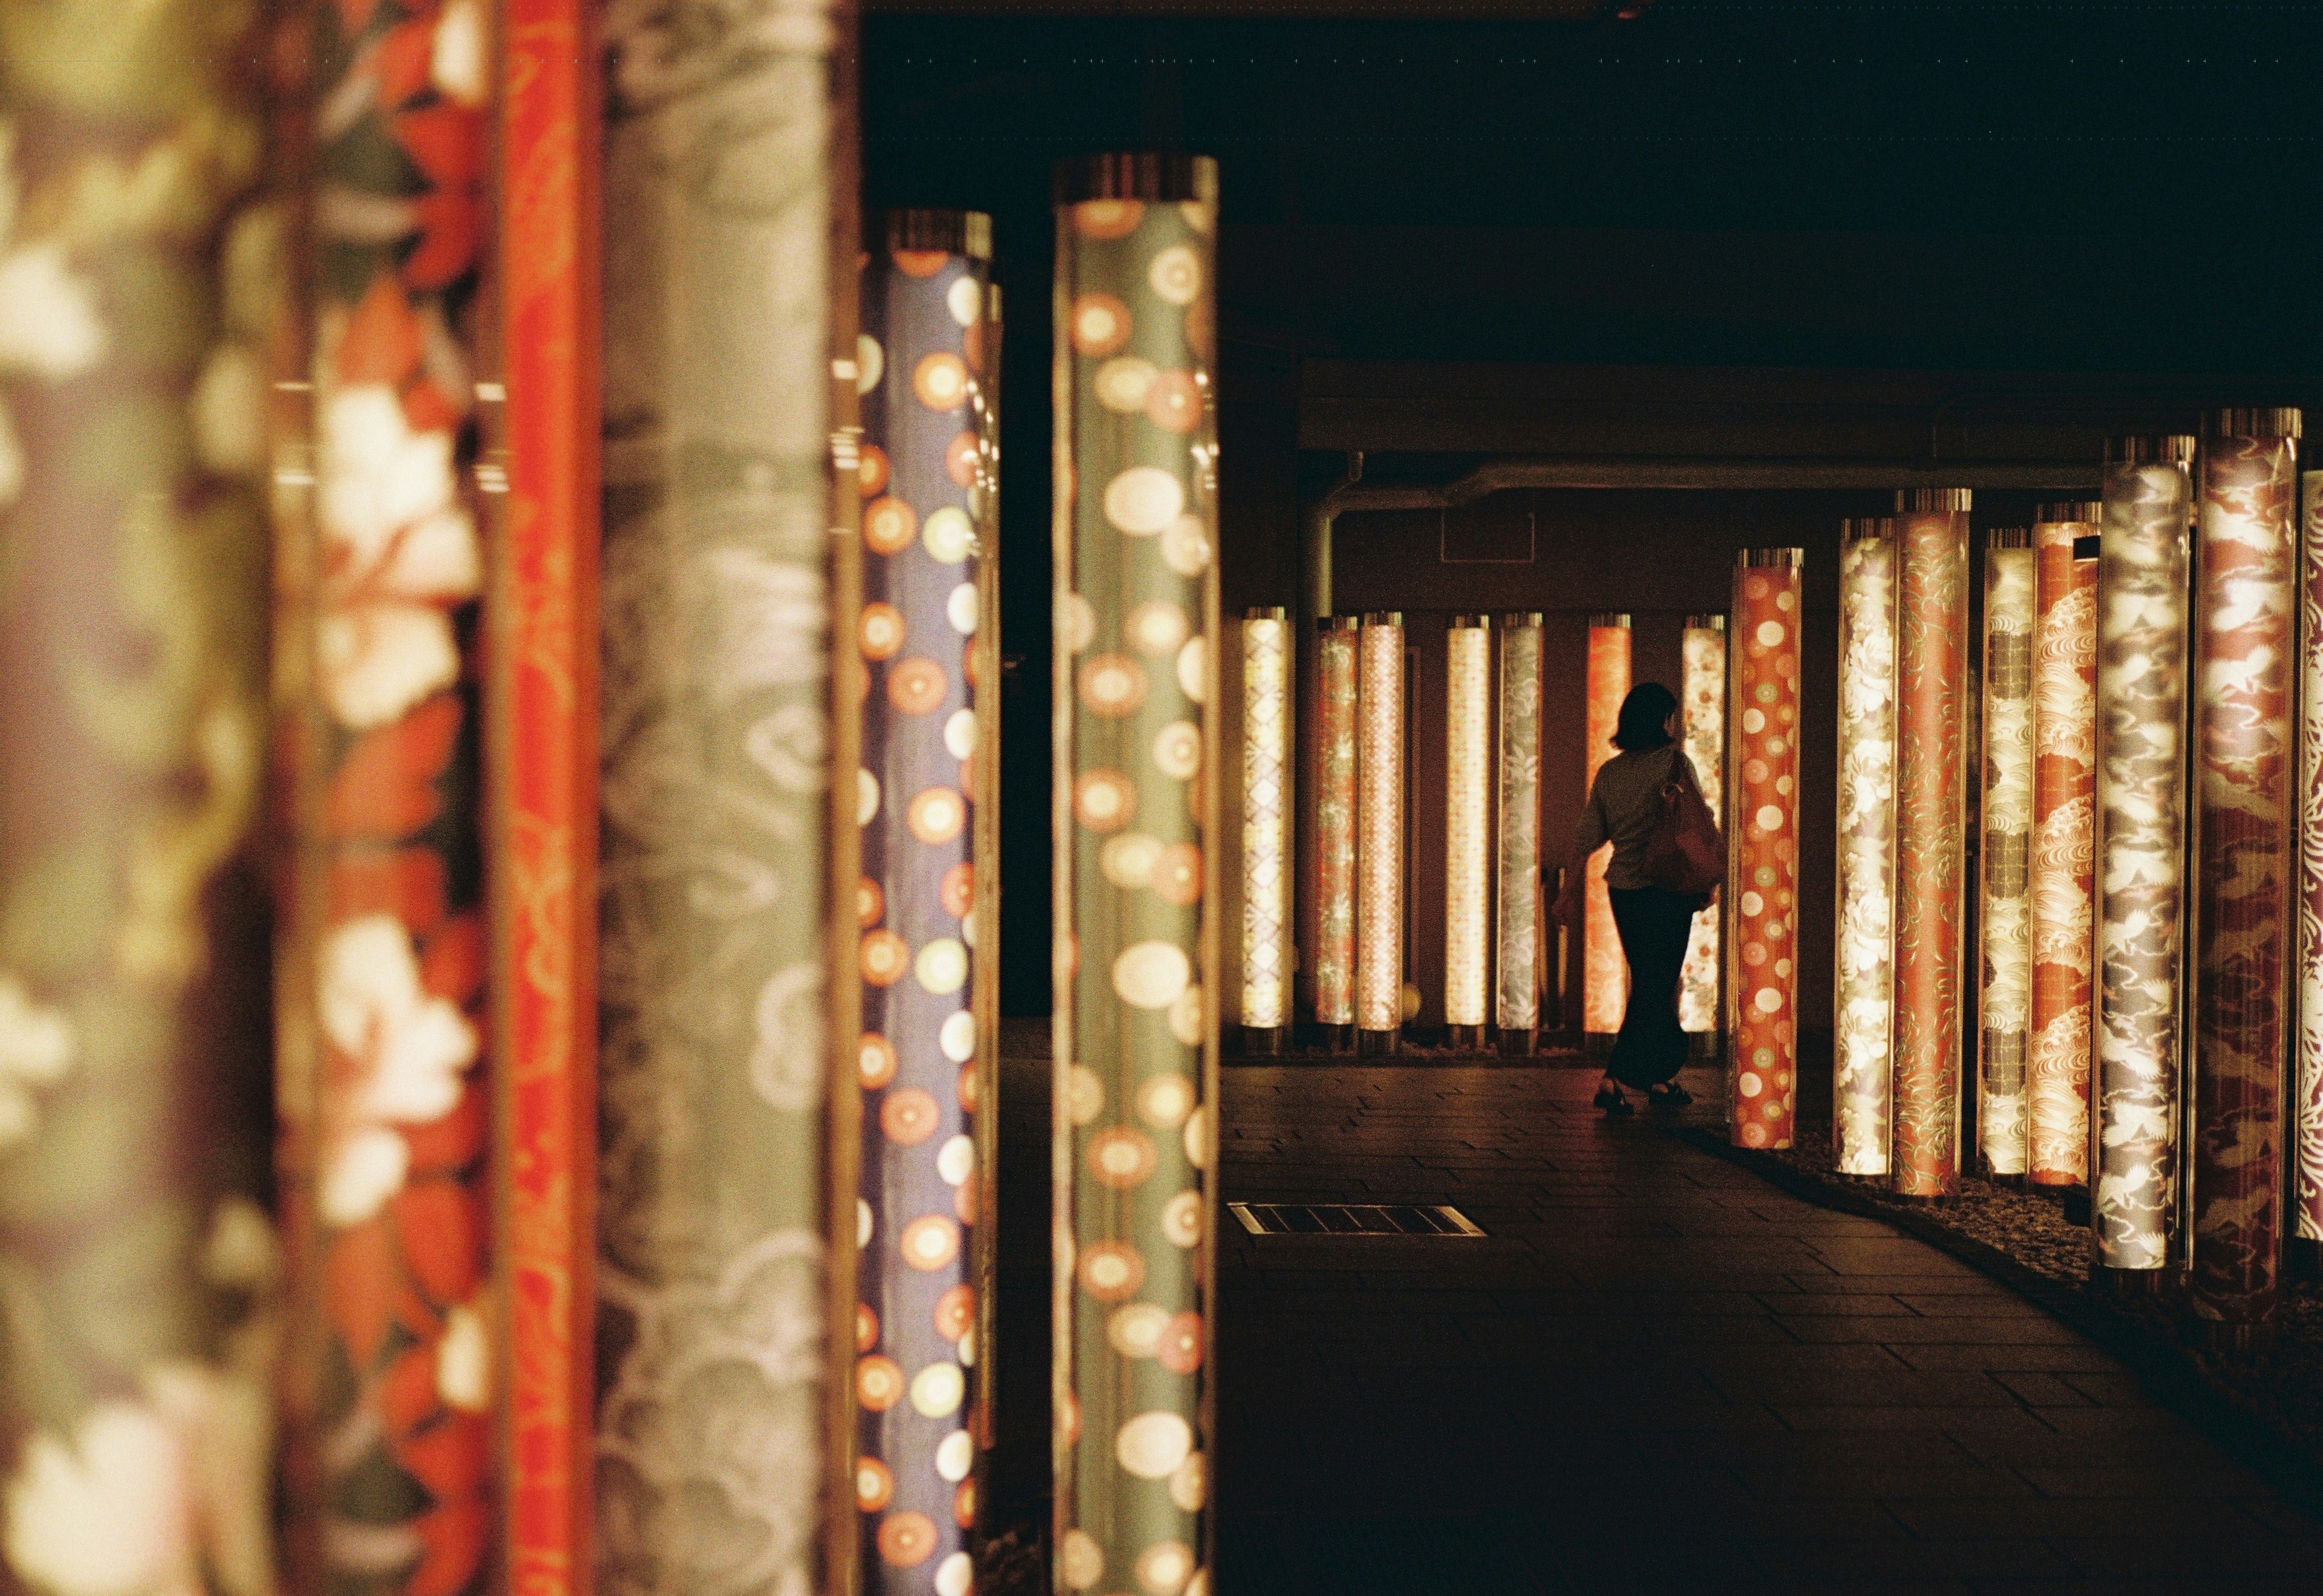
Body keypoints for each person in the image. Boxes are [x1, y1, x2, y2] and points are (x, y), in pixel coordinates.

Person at [1552, 681, 1712, 1116]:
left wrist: (1567, 893)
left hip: (1624, 890)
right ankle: (1614, 1077)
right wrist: (1705, 881)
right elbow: (1696, 824)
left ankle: (1660, 1080)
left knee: (1651, 982)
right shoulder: (1675, 765)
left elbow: (1587, 836)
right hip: (1668, 888)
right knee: (1655, 984)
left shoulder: (1611, 773)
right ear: (1662, 720)